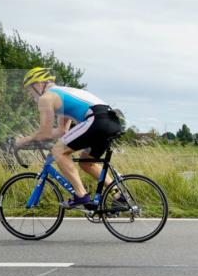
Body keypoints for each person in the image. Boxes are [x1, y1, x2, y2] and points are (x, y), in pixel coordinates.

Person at [15, 67, 124, 209]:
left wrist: (21, 141)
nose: (31, 95)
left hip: (97, 120)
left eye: (30, 89)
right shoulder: (63, 94)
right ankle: (119, 196)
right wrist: (40, 139)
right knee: (86, 163)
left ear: (38, 84)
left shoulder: (46, 98)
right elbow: (62, 131)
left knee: (58, 151)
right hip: (111, 121)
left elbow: (44, 133)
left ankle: (81, 195)